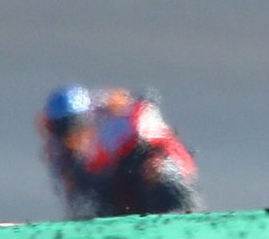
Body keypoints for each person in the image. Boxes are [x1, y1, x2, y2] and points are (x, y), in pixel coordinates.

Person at [37, 84, 200, 219]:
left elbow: (157, 134)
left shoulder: (120, 117)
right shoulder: (59, 151)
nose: (71, 134)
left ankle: (182, 214)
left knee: (159, 169)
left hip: (143, 162)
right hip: (111, 182)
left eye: (75, 125)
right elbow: (72, 192)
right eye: (63, 129)